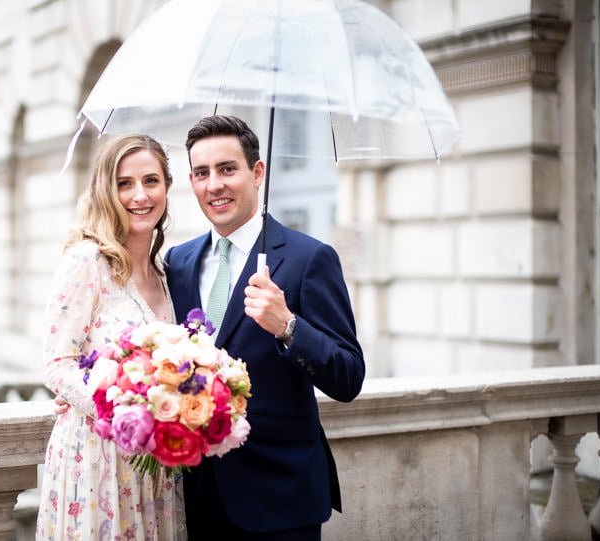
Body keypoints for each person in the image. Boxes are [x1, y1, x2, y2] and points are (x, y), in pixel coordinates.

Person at [164, 115, 365, 540]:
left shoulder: (309, 258)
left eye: (227, 169)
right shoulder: (177, 263)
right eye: (202, 173)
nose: (214, 184)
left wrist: (289, 326)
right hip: (197, 499)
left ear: (257, 173)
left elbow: (348, 376)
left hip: (281, 499)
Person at [36, 134, 185, 541]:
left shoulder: (166, 274)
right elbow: (56, 363)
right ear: (106, 190)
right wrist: (120, 412)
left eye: (151, 181)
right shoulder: (86, 261)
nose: (140, 195)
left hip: (156, 466)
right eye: (125, 183)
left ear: (167, 188)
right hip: (98, 460)